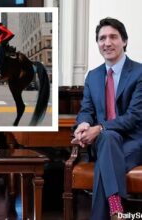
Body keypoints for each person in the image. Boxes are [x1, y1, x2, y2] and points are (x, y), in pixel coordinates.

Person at [72, 18, 142, 220]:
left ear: (125, 41)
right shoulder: (93, 76)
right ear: (98, 44)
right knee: (108, 138)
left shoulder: (139, 73)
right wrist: (83, 125)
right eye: (102, 38)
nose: (107, 42)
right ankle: (116, 210)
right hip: (105, 142)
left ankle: (114, 208)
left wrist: (100, 128)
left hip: (132, 142)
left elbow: (134, 117)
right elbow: (86, 109)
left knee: (106, 152)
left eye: (113, 37)